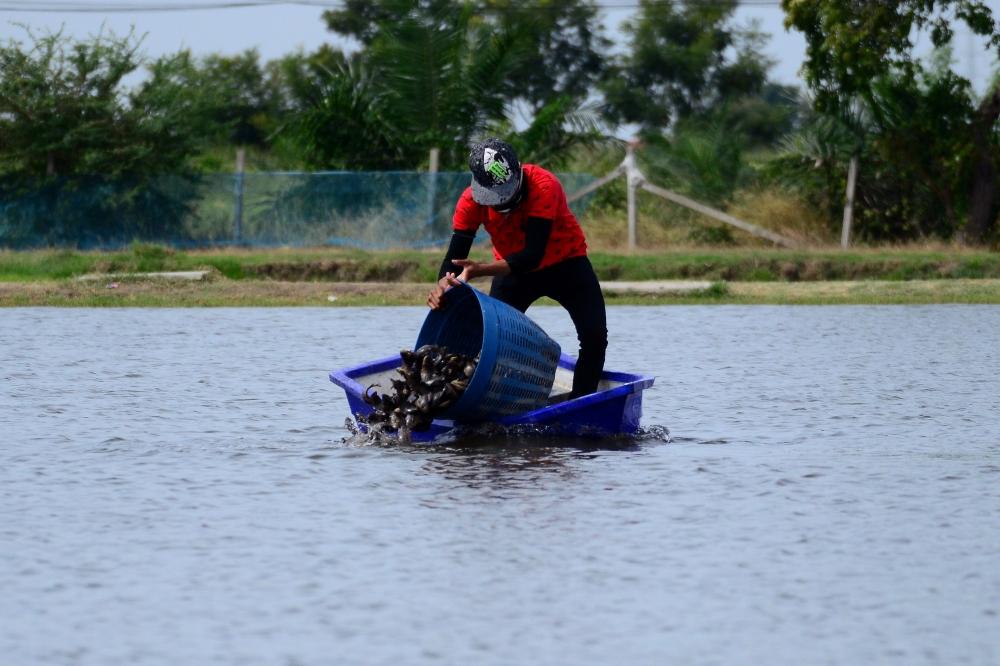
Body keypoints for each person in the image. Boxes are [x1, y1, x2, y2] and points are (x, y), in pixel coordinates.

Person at [427, 137, 607, 398]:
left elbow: (532, 255)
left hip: (567, 266)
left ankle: (582, 402)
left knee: (594, 338)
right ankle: (485, 402)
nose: (500, 204)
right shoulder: (470, 201)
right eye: (494, 198)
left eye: (505, 194)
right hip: (512, 275)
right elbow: (453, 262)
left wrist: (479, 269)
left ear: (518, 172)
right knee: (490, 345)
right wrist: (443, 286)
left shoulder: (544, 186)